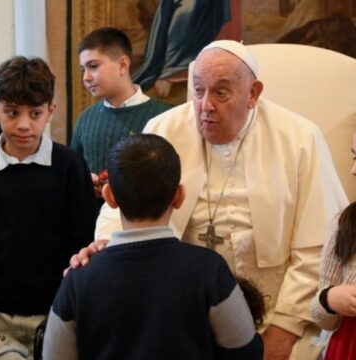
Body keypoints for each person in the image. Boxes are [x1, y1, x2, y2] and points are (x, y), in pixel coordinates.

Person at [71, 40, 348, 360]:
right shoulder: (163, 129)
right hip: (178, 310)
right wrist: (106, 249)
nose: (204, 105)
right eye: (198, 90)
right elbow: (124, 204)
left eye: (221, 92)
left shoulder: (300, 138)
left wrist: (284, 327)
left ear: (253, 93)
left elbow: (320, 245)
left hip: (277, 312)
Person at [43, 134, 263, 359]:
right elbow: (247, 352)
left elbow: (53, 356)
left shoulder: (78, 279)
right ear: (179, 196)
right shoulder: (209, 270)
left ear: (110, 197)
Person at [0, 56, 97, 360]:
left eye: (35, 113)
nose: (24, 124)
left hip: (56, 313)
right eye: (12, 113)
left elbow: (82, 241)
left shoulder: (70, 166)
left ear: (51, 111)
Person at [70, 27, 172, 200]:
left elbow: (172, 178)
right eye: (83, 70)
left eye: (93, 66)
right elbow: (72, 173)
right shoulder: (86, 119)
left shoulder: (164, 116)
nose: (86, 77)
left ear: (122, 65)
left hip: (143, 221)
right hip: (93, 222)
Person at [310, 132, 356, 359]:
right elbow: (322, 318)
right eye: (354, 157)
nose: (353, 170)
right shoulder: (345, 223)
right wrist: (328, 299)